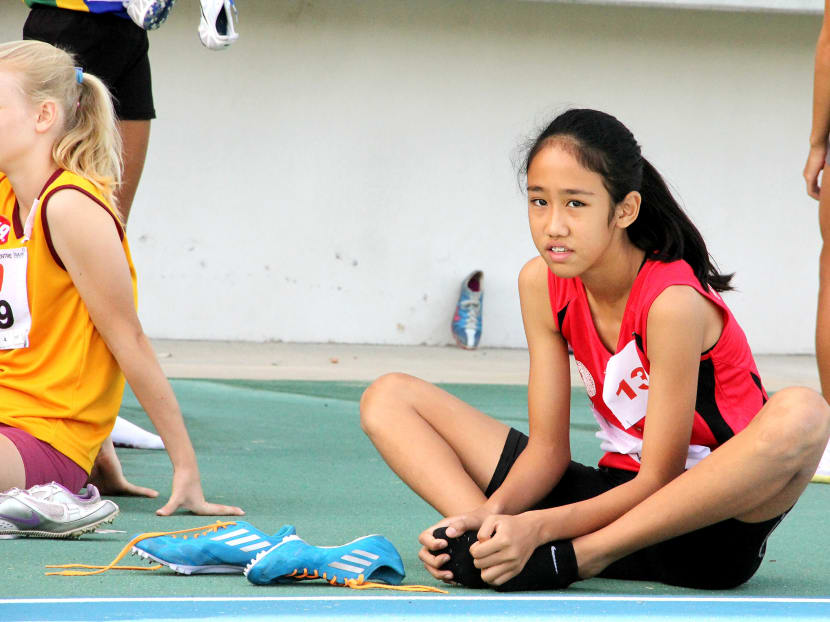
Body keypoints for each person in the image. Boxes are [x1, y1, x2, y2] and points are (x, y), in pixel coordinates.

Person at [360, 109, 830, 590]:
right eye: (539, 201)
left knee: (804, 413)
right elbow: (547, 450)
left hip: (699, 527)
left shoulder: (671, 303)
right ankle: (489, 547)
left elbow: (659, 480)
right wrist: (490, 516)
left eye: (576, 205)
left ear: (624, 210)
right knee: (389, 397)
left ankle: (573, 561)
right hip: (605, 498)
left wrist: (543, 528)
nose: (554, 226)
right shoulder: (540, 284)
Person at [0, 39, 243, 518]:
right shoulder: (7, 193)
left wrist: (185, 470)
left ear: (43, 116)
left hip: (40, 436)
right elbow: (49, 333)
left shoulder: (71, 207)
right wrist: (105, 448)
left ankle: (56, 501)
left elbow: (125, 338)